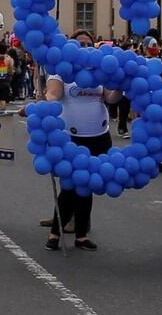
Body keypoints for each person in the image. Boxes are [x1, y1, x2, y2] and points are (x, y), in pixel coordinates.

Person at [43, 29, 121, 252]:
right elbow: (54, 93)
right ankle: (56, 232)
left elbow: (110, 97)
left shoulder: (100, 70)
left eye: (88, 44)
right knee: (70, 185)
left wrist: (121, 86)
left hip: (98, 136)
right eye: (79, 44)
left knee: (88, 184)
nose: (84, 48)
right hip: (70, 137)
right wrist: (45, 105)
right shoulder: (62, 70)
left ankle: (82, 234)